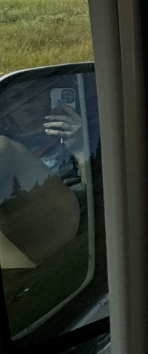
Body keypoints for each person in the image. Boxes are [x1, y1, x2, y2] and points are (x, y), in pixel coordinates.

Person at [0, 96, 83, 271]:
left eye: (32, 96)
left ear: (48, 99)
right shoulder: (10, 144)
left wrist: (80, 146)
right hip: (20, 233)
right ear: (6, 110)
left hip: (73, 225)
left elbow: (98, 192)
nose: (27, 103)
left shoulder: (74, 133)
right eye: (17, 97)